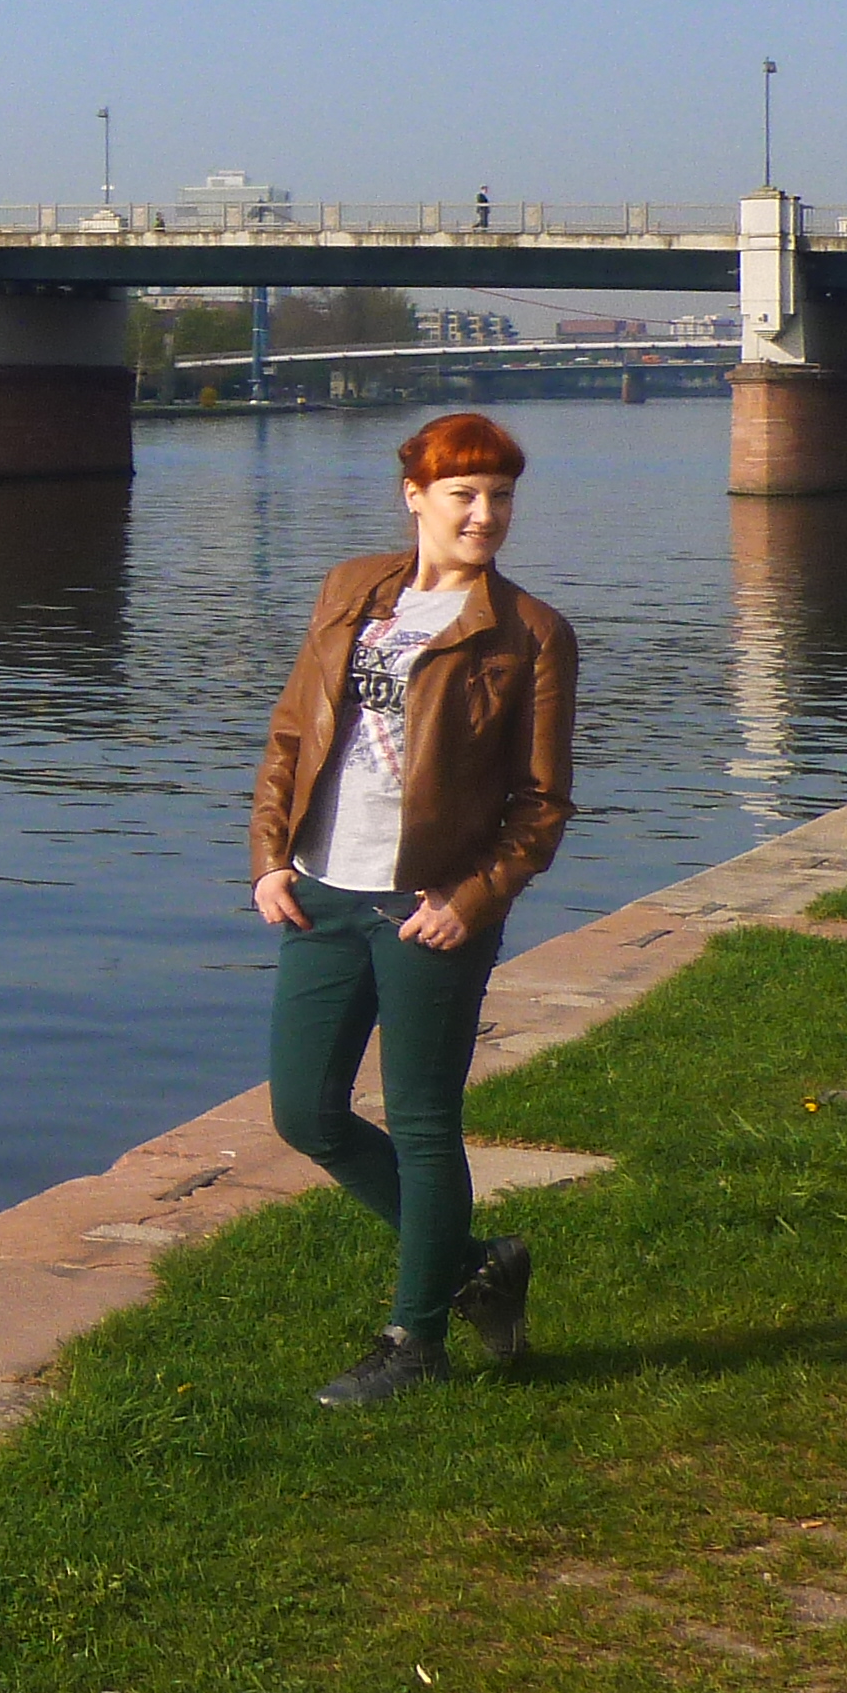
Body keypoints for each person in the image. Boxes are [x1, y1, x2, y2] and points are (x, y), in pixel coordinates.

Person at [248, 410, 578, 1406]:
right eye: (464, 495)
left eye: (501, 497)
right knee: (305, 1113)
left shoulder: (530, 634)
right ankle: (477, 1265)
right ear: (415, 497)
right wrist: (270, 859)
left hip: (428, 909)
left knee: (424, 1122)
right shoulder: (353, 589)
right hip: (321, 890)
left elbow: (541, 803)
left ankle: (415, 1341)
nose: (485, 515)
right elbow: (293, 731)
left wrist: (476, 899)